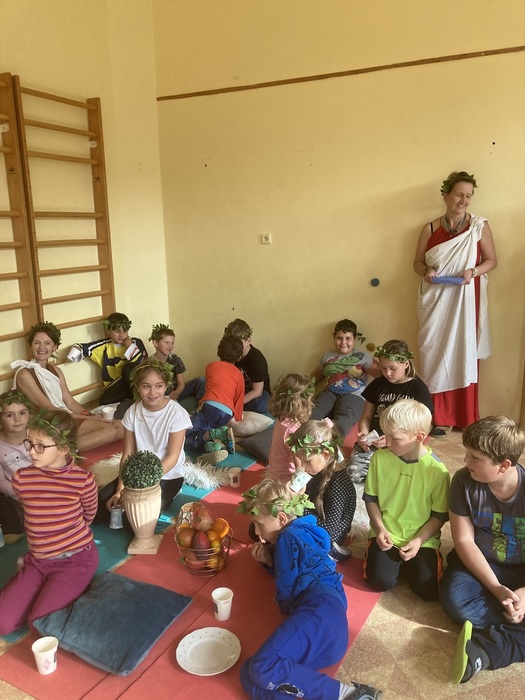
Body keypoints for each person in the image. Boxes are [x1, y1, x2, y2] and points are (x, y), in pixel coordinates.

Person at [238, 478, 382, 700]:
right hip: (329, 633)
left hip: (319, 610)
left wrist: (283, 604)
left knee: (260, 667)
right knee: (249, 671)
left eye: (259, 524)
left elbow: (287, 584)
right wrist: (269, 561)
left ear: (282, 518)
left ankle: (352, 695)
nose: (257, 532)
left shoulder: (287, 536)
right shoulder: (303, 530)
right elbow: (297, 568)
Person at [438, 416, 525, 685]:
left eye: (475, 457)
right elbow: (464, 541)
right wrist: (496, 588)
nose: (466, 460)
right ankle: (515, 624)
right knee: (455, 598)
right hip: (479, 565)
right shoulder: (463, 481)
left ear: (504, 465)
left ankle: (486, 650)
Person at [413, 171, 497, 435]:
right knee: (435, 352)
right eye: (459, 194)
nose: (464, 200)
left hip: (466, 298)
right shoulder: (429, 228)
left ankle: (464, 416)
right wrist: (426, 270)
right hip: (436, 299)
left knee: (463, 350)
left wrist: (473, 271)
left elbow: (492, 261)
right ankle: (439, 416)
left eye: (468, 196)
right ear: (445, 195)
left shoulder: (479, 226)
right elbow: (417, 263)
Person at [0, 410, 98, 635]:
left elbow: (88, 515)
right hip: (38, 561)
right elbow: (35, 513)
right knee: (2, 622)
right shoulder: (22, 478)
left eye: (40, 446)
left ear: (63, 449)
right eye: (30, 443)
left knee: (39, 623)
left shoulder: (83, 480)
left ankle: (76, 585)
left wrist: (63, 537)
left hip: (75, 559)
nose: (31, 451)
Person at [363, 399, 449, 600]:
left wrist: (418, 541)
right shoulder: (379, 458)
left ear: (419, 437)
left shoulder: (438, 471)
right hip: (386, 534)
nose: (387, 443)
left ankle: (408, 563)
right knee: (379, 582)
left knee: (428, 590)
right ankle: (394, 563)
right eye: (386, 435)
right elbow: (371, 499)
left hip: (422, 539)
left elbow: (439, 515)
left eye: (395, 438)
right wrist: (380, 529)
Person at [11, 322, 123, 452]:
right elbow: (49, 408)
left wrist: (90, 414)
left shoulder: (56, 370)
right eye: (37, 343)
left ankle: (65, 445)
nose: (42, 347)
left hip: (64, 415)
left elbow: (69, 401)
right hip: (49, 421)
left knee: (122, 426)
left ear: (55, 347)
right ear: (30, 345)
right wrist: (90, 418)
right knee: (109, 430)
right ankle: (58, 451)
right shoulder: (24, 373)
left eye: (47, 343)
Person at [104, 361, 192, 518]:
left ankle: (174, 491)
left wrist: (139, 487)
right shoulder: (132, 412)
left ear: (166, 386)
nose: (152, 392)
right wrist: (121, 488)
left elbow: (172, 457)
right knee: (103, 507)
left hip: (168, 475)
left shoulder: (177, 414)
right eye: (146, 386)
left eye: (158, 386)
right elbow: (128, 453)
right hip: (138, 472)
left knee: (136, 517)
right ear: (138, 388)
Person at [348, 340, 433, 484]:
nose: (387, 373)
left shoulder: (418, 388)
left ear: (406, 364)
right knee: (354, 475)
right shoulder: (377, 385)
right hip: (374, 442)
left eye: (393, 368)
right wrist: (363, 435)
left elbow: (426, 425)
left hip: (403, 444)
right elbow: (366, 417)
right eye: (383, 368)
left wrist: (392, 441)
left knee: (404, 477)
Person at [287, 419, 356, 561]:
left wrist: (297, 502)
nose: (302, 466)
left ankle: (331, 551)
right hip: (310, 518)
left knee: (285, 545)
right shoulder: (316, 469)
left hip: (328, 534)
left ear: (325, 455)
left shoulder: (338, 483)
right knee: (262, 526)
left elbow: (327, 529)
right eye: (300, 460)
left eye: (307, 461)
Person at [69, 312, 147, 413]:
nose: (121, 335)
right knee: (104, 401)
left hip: (134, 385)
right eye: (117, 331)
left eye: (125, 331)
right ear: (108, 330)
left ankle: (139, 401)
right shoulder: (104, 345)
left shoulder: (136, 342)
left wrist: (129, 346)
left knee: (128, 369)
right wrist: (72, 355)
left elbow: (141, 363)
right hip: (115, 387)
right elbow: (82, 347)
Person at [310, 319, 377, 437]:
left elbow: (379, 376)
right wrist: (305, 389)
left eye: (348, 338)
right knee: (312, 416)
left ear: (354, 339)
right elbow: (315, 376)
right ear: (334, 337)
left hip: (354, 395)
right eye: (339, 338)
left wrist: (381, 366)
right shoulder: (327, 356)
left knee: (342, 421)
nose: (343, 342)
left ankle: (332, 444)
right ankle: (309, 442)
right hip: (329, 393)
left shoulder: (363, 357)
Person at [185, 334, 245, 454]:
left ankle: (214, 434)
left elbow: (211, 388)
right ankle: (215, 446)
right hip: (227, 413)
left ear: (218, 352)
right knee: (205, 429)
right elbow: (239, 398)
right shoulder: (239, 374)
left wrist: (200, 404)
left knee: (185, 435)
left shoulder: (210, 367)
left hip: (210, 407)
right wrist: (237, 417)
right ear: (239, 357)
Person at [267, 374, 314, 483]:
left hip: (275, 468)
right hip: (285, 477)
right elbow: (299, 464)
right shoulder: (293, 431)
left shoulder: (282, 418)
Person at [0, 390, 33, 543]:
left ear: (29, 414)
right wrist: (21, 494)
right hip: (16, 493)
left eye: (22, 413)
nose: (17, 419)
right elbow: (1, 482)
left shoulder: (37, 435)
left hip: (44, 486)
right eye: (9, 415)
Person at [224, 318, 271, 413]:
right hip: (236, 390)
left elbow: (257, 391)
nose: (234, 347)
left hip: (254, 393)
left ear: (248, 341)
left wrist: (235, 404)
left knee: (261, 404)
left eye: (238, 344)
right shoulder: (229, 353)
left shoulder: (257, 358)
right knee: (203, 382)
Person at [148, 323, 187, 401]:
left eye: (172, 343)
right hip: (160, 393)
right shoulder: (149, 362)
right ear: (156, 343)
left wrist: (177, 392)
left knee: (200, 381)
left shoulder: (175, 360)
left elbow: (181, 383)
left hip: (175, 392)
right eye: (167, 342)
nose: (170, 346)